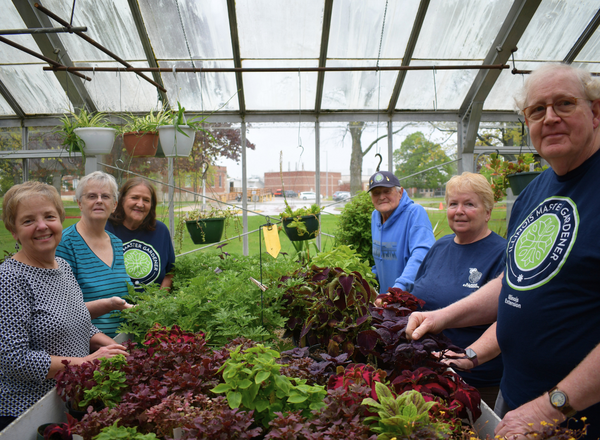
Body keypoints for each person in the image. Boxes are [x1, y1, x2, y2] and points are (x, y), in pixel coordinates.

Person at [406, 63, 600, 439]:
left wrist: (551, 406)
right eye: (537, 110)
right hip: (517, 405)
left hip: (576, 417)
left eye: (564, 103)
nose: (550, 118)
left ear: (594, 112)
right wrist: (443, 317)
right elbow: (516, 284)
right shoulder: (532, 194)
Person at [0, 181, 128, 431]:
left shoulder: (62, 267)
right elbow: (13, 359)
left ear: (61, 220)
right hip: (26, 416)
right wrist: (88, 362)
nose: (42, 226)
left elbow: (79, 323)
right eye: (28, 221)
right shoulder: (9, 279)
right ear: (13, 231)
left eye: (49, 216)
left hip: (67, 404)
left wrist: (114, 347)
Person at [410, 172, 505, 409]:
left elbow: (511, 318)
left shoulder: (502, 254)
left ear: (488, 212)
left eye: (469, 204)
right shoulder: (441, 245)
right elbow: (416, 294)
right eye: (453, 204)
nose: (459, 210)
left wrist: (470, 355)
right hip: (428, 375)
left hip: (477, 384)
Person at [56, 171, 133, 338]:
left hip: (124, 345)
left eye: (105, 196)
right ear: (80, 203)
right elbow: (63, 310)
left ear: (114, 205)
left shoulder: (116, 243)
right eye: (91, 196)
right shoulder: (65, 244)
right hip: (87, 350)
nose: (99, 200)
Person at [368, 170, 435, 293]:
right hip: (387, 302)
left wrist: (399, 288)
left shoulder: (414, 213)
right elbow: (383, 258)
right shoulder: (375, 216)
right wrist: (366, 278)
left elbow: (422, 253)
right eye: (376, 193)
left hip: (411, 301)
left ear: (400, 192)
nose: (382, 197)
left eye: (387, 191)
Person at [106, 177, 176, 290]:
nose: (140, 204)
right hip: (114, 306)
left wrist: (160, 300)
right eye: (134, 198)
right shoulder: (106, 229)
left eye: (146, 200)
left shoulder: (160, 231)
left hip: (152, 306)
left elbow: (170, 272)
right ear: (122, 200)